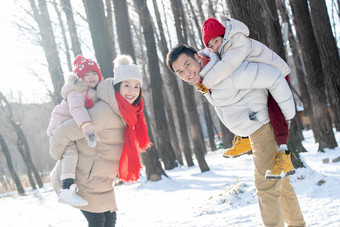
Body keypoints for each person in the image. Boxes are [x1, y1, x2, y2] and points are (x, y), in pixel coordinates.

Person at [166, 44, 305, 227]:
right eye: (180, 72)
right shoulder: (206, 77)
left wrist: (286, 114)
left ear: (197, 57)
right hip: (256, 132)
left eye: (187, 64)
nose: (186, 73)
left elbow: (273, 77)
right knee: (280, 183)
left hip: (263, 128)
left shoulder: (224, 71)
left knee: (266, 187)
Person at [49, 55, 151, 227]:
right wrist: (58, 154)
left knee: (109, 221)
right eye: (126, 85)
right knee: (99, 223)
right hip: (84, 182)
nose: (131, 91)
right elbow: (62, 133)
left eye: (136, 86)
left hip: (103, 183)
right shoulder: (104, 111)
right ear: (117, 87)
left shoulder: (128, 113)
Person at [199, 17, 293, 180]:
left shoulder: (238, 42)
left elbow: (227, 66)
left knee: (275, 112)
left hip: (278, 75)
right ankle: (243, 138)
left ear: (224, 35)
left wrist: (205, 83)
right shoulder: (224, 50)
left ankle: (285, 155)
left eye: (216, 41)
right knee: (236, 97)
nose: (214, 48)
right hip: (262, 77)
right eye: (210, 46)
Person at [47, 55, 103, 206]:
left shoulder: (91, 91)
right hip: (60, 125)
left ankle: (67, 187)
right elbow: (76, 108)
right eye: (86, 74)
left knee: (73, 153)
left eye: (94, 73)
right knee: (70, 153)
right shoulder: (75, 91)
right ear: (79, 78)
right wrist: (86, 125)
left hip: (70, 126)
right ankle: (66, 190)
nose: (91, 77)